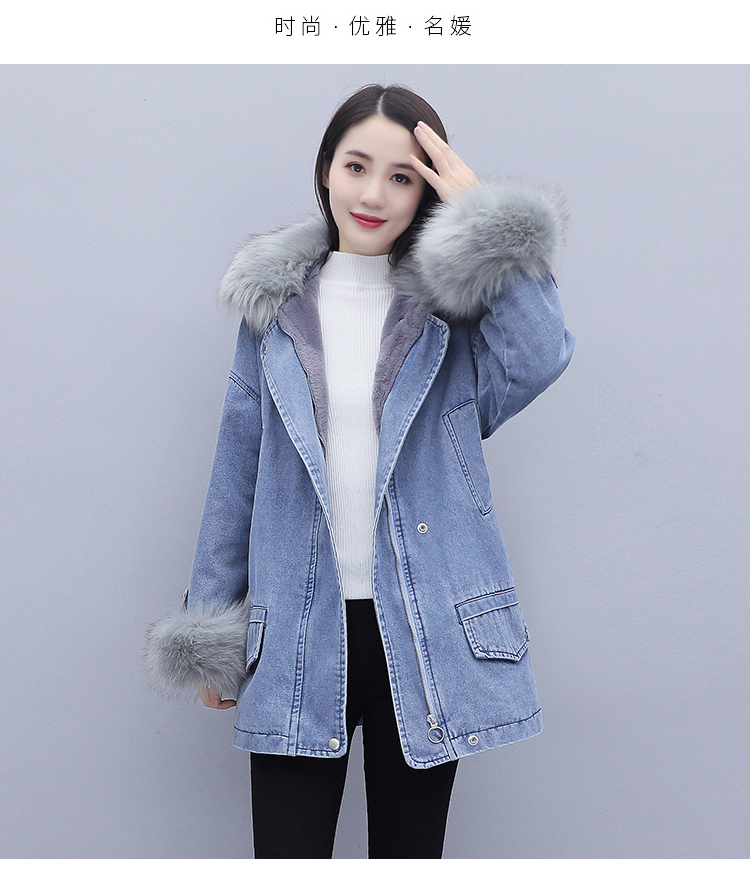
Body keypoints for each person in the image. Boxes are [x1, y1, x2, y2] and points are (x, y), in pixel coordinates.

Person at [145, 84, 575, 859]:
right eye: (356, 166)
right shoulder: (274, 310)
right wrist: (211, 621)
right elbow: (237, 467)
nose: (373, 194)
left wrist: (483, 220)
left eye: (402, 176)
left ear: (427, 192)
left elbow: (542, 354)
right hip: (296, 629)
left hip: (421, 626)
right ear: (326, 169)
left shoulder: (453, 314)